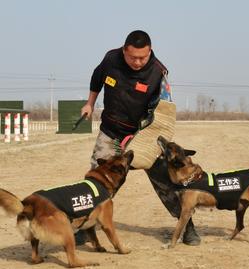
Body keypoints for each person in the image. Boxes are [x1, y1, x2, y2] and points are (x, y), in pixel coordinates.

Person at [76, 30, 200, 246]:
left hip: (143, 135)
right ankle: (82, 225)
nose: (137, 62)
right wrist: (89, 103)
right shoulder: (110, 59)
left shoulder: (158, 74)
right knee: (97, 181)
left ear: (149, 51)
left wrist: (143, 135)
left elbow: (163, 113)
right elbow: (97, 79)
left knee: (166, 179)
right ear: (124, 51)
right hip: (111, 131)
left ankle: (187, 226)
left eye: (142, 57)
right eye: (132, 57)